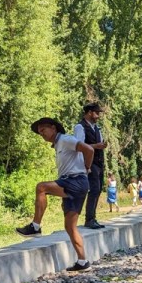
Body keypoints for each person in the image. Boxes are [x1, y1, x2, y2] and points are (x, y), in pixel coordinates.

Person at [17, 117, 94, 272]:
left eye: (43, 130)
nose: (42, 135)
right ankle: (82, 261)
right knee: (70, 227)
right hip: (75, 183)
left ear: (53, 127)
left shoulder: (65, 139)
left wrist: (86, 167)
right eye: (39, 133)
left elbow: (89, 150)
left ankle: (35, 226)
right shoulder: (59, 145)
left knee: (41, 187)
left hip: (75, 181)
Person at [73, 103, 107, 229]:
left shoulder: (97, 128)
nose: (98, 116)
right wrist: (95, 146)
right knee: (93, 189)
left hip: (98, 163)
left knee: (97, 190)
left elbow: (98, 144)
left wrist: (101, 146)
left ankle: (93, 217)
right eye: (97, 113)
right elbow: (78, 146)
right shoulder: (80, 127)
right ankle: (89, 219)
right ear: (89, 112)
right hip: (88, 163)